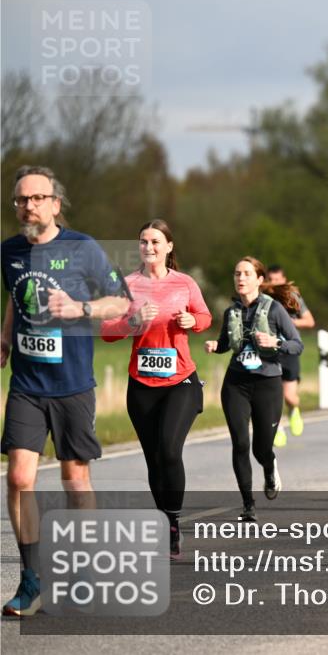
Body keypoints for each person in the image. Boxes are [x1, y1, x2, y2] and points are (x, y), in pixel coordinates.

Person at [2, 166, 129, 615]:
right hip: (26, 385)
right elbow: (17, 298)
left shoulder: (82, 248)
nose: (28, 205)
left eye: (37, 198)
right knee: (19, 479)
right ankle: (32, 579)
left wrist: (82, 306)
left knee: (75, 480)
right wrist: (4, 337)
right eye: (21, 199)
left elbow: (122, 300)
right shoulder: (10, 251)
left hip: (73, 385)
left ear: (56, 203)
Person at [100, 220, 211, 559]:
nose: (149, 247)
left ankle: (173, 522)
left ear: (169, 247)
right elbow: (107, 331)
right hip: (142, 384)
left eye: (156, 241)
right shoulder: (127, 285)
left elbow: (204, 316)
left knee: (169, 449)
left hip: (180, 381)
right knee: (153, 459)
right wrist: (132, 322)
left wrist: (193, 322)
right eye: (144, 242)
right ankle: (164, 521)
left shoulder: (184, 282)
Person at [205, 257, 303, 522]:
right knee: (240, 442)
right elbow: (227, 342)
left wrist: (275, 342)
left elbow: (297, 345)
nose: (241, 278)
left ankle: (269, 468)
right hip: (236, 383)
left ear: (259, 280)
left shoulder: (274, 310)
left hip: (267, 384)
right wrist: (217, 345)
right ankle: (248, 505)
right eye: (237, 273)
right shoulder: (231, 312)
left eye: (247, 273)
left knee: (261, 448)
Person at [266, 264, 315, 447]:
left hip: (289, 350)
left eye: (278, 280)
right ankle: (277, 428)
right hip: (269, 352)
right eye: (271, 280)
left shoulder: (293, 297)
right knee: (273, 395)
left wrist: (289, 322)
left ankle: (294, 409)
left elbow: (310, 321)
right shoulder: (263, 299)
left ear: (284, 280)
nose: (274, 283)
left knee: (289, 396)